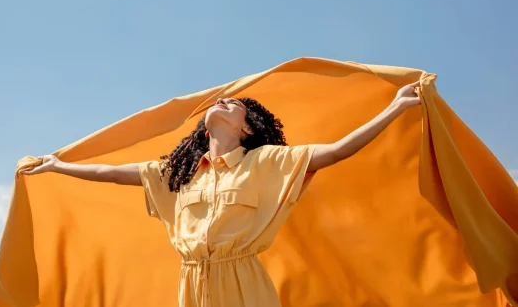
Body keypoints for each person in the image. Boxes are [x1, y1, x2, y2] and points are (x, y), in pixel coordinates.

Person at [22, 81, 421, 307]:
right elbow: (109, 173)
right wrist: (59, 165)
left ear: (246, 130)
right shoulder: (176, 175)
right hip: (192, 284)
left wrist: (394, 109)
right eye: (221, 101)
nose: (223, 100)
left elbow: (336, 150)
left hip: (243, 282)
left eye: (235, 104)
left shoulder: (265, 161)